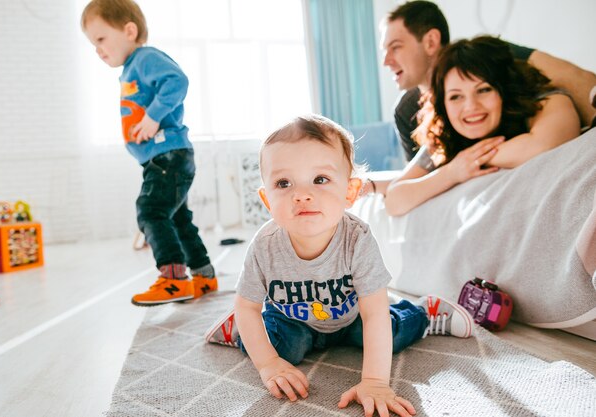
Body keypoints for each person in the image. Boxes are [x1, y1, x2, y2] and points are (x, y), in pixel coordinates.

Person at [204, 114, 474, 417]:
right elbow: (248, 306)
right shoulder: (265, 245)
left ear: (350, 192)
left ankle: (425, 312)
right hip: (293, 322)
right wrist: (268, 365)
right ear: (267, 200)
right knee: (279, 350)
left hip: (352, 317)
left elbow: (373, 313)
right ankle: (238, 331)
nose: (302, 194)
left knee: (390, 335)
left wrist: (374, 381)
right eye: (284, 183)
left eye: (320, 180)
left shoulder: (357, 239)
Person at [364, 0, 596, 196]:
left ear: (431, 42)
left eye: (395, 48)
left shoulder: (495, 58)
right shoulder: (407, 112)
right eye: (455, 97)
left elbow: (575, 79)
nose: (386, 61)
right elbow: (419, 176)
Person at [81, 0, 217, 306]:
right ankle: (204, 275)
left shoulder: (144, 58)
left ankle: (173, 279)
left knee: (151, 211)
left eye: (101, 39)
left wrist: (153, 117)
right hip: (164, 157)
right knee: (177, 219)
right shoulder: (132, 67)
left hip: (168, 155)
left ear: (129, 30)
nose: (98, 50)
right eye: (93, 44)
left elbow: (177, 80)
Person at [384, 36, 580, 216]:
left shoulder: (547, 101)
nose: (471, 107)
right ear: (443, 104)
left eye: (484, 90)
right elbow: (394, 199)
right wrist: (452, 172)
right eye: (455, 96)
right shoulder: (445, 134)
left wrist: (473, 160)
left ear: (503, 90)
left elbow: (543, 145)